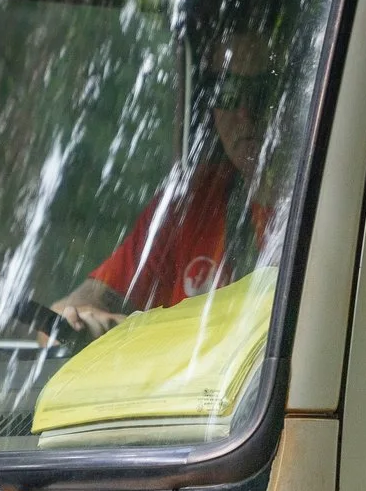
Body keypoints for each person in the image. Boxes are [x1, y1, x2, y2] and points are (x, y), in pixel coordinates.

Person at [51, 32, 281, 336]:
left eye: (262, 92)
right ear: (211, 105)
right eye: (226, 92)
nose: (244, 112)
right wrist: (74, 321)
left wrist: (134, 333)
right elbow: (67, 311)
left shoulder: (332, 208)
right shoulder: (189, 205)